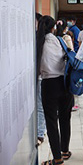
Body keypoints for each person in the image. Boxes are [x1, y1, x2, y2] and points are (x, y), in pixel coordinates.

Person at [37, 15, 74, 165]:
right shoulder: (59, 40)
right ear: (53, 28)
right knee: (65, 118)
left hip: (48, 84)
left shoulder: (38, 44)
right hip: (64, 83)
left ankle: (57, 158)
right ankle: (65, 150)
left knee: (51, 121)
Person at [35, 13, 47, 145]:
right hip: (38, 76)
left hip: (41, 77)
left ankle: (39, 133)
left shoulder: (44, 40)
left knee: (40, 105)